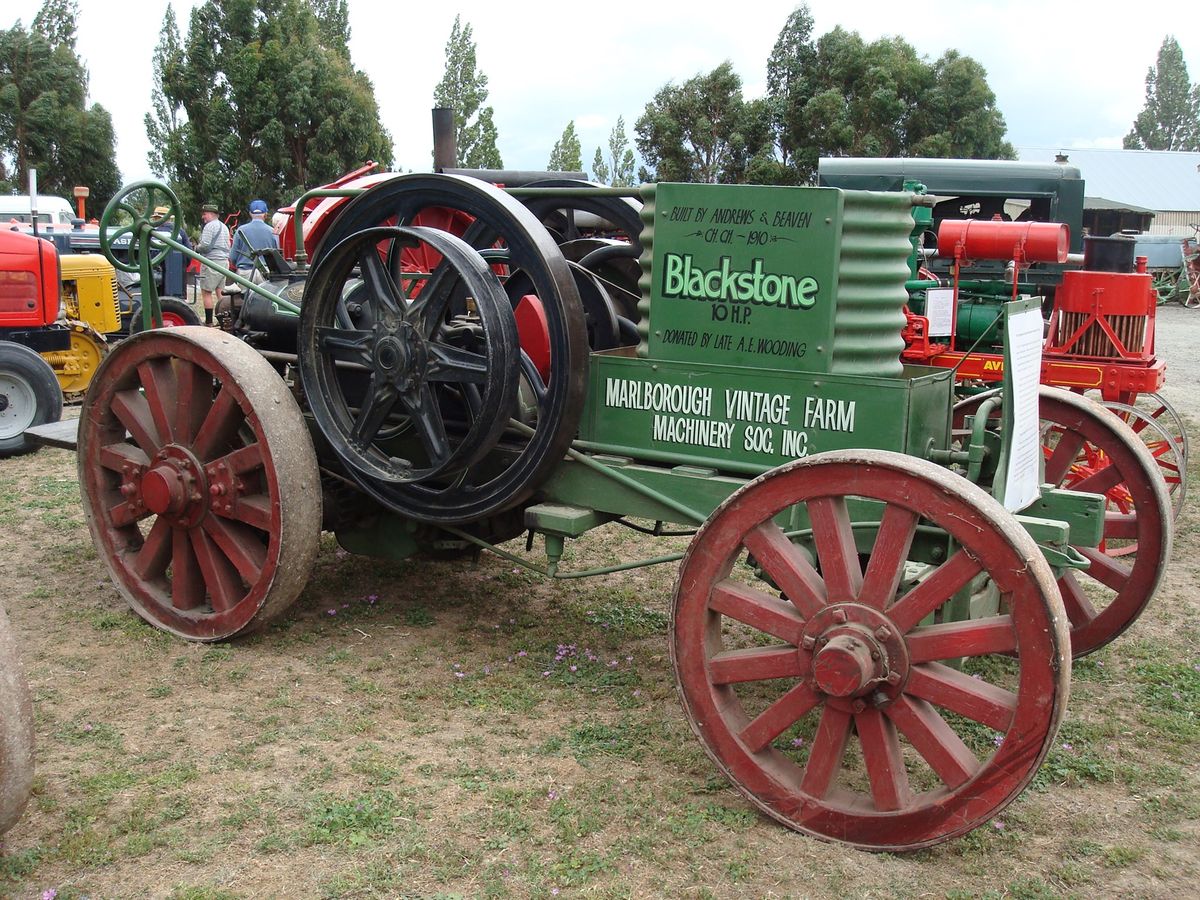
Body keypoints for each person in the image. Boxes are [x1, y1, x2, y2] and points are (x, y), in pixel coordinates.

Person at [195, 202, 230, 325]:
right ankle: (225, 320)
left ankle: (209, 322)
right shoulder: (224, 227)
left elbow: (205, 246)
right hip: (224, 262)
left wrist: (196, 248)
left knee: (206, 292)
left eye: (204, 214)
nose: (203, 217)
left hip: (212, 262)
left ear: (210, 214)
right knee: (221, 292)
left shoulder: (210, 226)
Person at [229, 199, 280, 281]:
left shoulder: (240, 230)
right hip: (266, 272)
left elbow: (232, 257)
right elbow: (278, 255)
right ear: (265, 214)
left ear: (250, 213)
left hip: (245, 272)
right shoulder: (273, 232)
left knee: (244, 294)